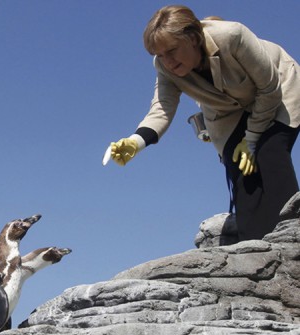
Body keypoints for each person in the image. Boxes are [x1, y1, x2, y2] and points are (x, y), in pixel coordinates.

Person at [108, 5, 300, 241]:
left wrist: (251, 139)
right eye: (159, 55)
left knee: (269, 151)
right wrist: (136, 141)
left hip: (278, 91)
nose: (167, 61)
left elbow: (269, 90)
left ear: (193, 38)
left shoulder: (233, 35)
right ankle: (254, 246)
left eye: (172, 50)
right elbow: (162, 108)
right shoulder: (164, 67)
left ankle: (293, 236)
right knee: (239, 168)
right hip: (229, 113)